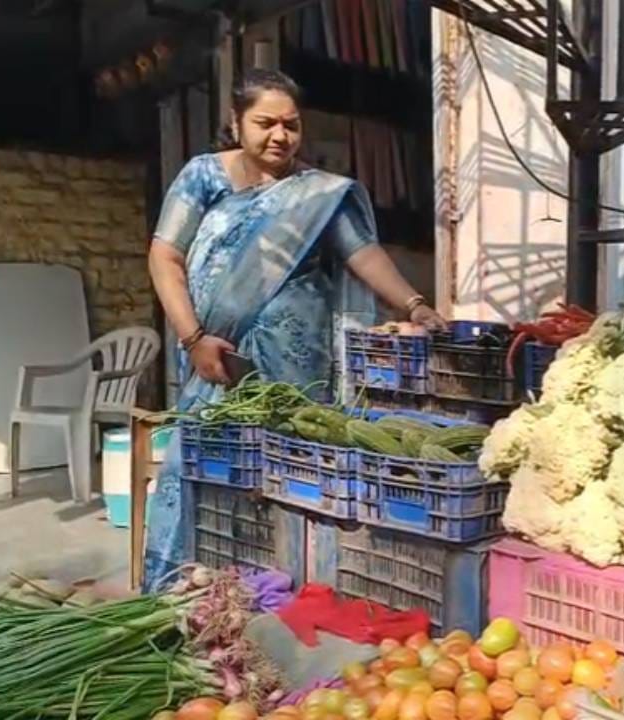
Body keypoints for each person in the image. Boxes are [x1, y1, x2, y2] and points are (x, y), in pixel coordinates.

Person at [143, 69, 445, 587]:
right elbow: (164, 256)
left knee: (289, 485)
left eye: (292, 124)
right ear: (236, 123)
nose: (280, 135)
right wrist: (194, 338)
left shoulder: (317, 194)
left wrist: (416, 306)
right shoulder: (203, 177)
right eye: (266, 122)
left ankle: (272, 600)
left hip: (295, 376)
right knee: (208, 475)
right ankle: (183, 595)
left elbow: (363, 253)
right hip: (218, 361)